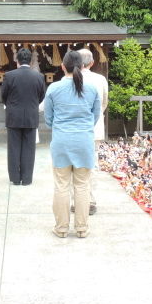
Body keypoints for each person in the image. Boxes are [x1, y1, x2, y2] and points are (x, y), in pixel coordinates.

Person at [44, 50, 100, 238]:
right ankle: (82, 228)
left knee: (61, 185)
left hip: (61, 140)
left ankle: (61, 228)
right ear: (83, 66)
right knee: (82, 185)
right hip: (84, 140)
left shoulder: (53, 89)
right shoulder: (92, 89)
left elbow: (48, 119)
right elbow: (95, 116)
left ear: (62, 67)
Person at [1, 47, 46, 185]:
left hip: (14, 115)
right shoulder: (39, 76)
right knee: (29, 148)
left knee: (13, 148)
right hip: (31, 115)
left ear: (17, 61)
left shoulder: (9, 75)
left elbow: (4, 96)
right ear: (31, 61)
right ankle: (27, 179)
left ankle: (15, 178)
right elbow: (41, 96)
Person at [78, 48, 109, 215]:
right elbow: (104, 103)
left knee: (75, 164)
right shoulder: (100, 79)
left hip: (75, 128)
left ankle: (77, 200)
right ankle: (90, 200)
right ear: (92, 63)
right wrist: (97, 116)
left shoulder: (70, 79)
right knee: (92, 164)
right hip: (95, 126)